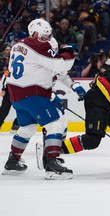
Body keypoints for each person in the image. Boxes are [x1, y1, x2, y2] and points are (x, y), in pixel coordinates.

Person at [3, 18, 76, 180]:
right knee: (55, 124)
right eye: (45, 35)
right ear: (35, 33)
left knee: (27, 128)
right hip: (32, 94)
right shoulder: (38, 45)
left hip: (16, 96)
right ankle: (52, 164)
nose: (47, 39)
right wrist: (69, 51)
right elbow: (63, 65)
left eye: (49, 36)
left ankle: (12, 161)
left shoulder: (17, 45)